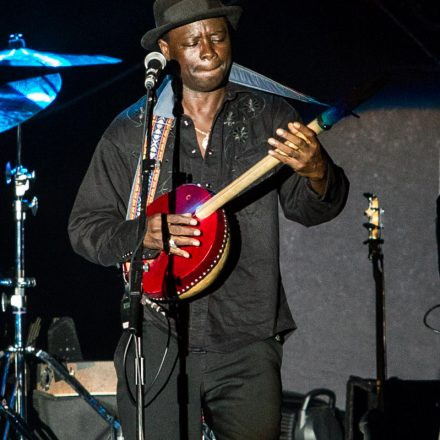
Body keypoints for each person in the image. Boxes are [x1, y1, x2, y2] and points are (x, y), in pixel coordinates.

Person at [68, 0, 349, 438]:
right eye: (193, 41)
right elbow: (85, 230)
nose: (210, 51)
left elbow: (310, 208)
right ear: (167, 48)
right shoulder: (133, 130)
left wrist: (317, 172)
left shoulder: (270, 118)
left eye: (217, 37)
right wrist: (144, 232)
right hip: (158, 333)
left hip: (249, 336)